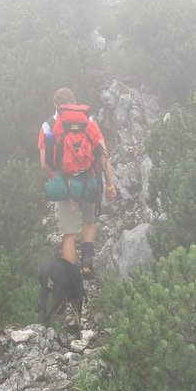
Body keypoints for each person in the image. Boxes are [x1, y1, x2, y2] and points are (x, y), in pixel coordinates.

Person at [38, 87, 117, 278]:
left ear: (56, 105)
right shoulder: (88, 121)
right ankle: (87, 264)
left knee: (69, 234)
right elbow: (104, 155)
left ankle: (71, 280)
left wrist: (61, 180)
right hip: (89, 181)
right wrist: (110, 185)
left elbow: (44, 165)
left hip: (65, 186)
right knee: (89, 222)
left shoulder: (48, 126)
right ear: (74, 102)